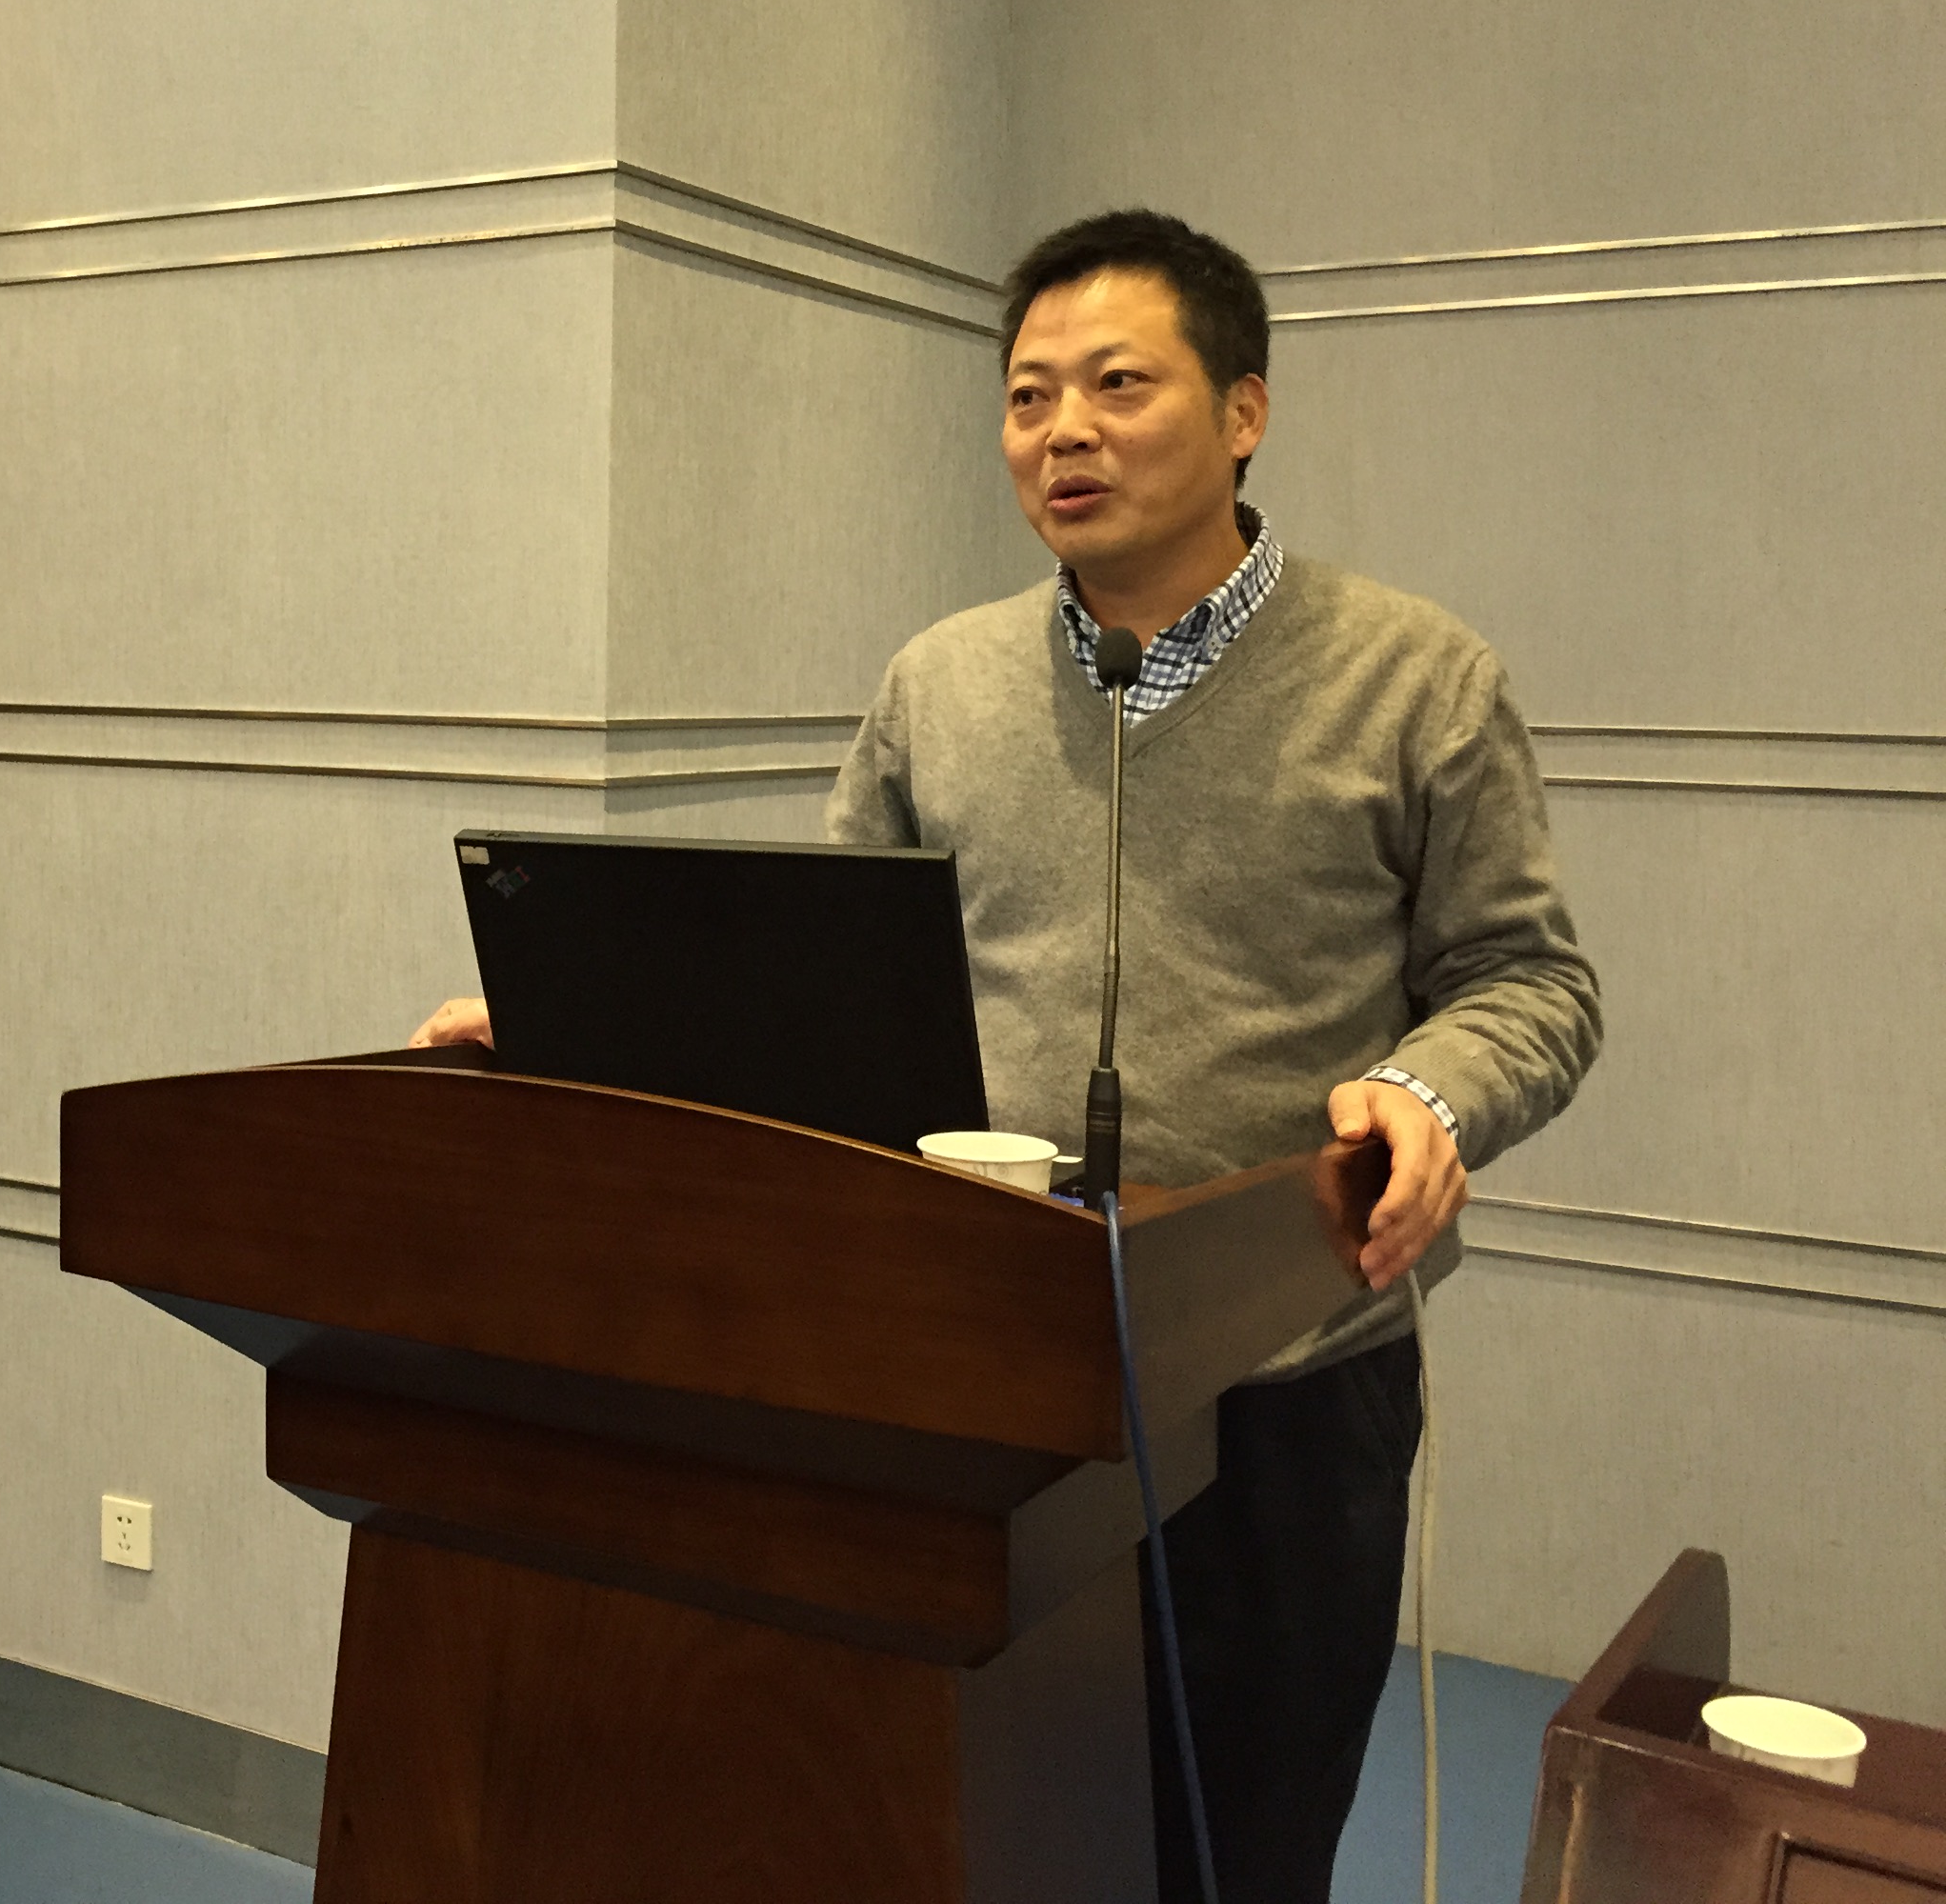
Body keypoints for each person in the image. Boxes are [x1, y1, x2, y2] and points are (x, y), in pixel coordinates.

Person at [411, 208, 1601, 1904]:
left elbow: (1529, 982)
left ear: (1244, 411)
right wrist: (581, 1027)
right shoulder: (941, 683)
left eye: (1119, 385)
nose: (1063, 432)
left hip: (1277, 1380)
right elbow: (826, 983)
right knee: (978, 1835)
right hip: (976, 1362)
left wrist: (1431, 1092)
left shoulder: (1416, 678)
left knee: (1240, 1847)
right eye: (1030, 396)